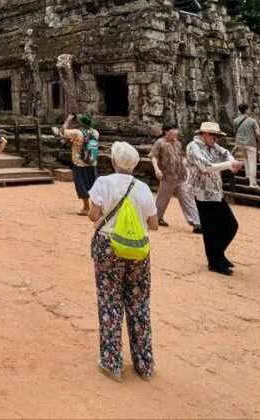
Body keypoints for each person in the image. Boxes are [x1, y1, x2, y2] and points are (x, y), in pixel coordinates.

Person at [88, 141, 158, 382]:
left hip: (108, 246)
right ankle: (145, 364)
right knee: (139, 304)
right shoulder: (143, 188)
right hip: (138, 250)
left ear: (114, 162)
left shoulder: (103, 183)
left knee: (110, 301)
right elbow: (154, 224)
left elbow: (93, 216)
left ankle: (112, 362)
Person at [185, 122, 244, 275]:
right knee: (211, 229)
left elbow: (225, 153)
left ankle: (218, 255)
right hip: (202, 192)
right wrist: (229, 165)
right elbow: (206, 166)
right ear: (204, 134)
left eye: (217, 136)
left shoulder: (213, 146)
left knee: (230, 225)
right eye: (213, 135)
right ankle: (214, 260)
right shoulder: (194, 147)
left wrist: (232, 161)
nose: (215, 139)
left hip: (216, 191)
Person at [150, 124, 201, 232]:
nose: (176, 132)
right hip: (167, 176)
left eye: (176, 130)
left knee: (187, 198)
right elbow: (154, 156)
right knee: (162, 200)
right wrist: (157, 169)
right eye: (173, 130)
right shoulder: (160, 143)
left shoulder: (178, 143)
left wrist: (187, 169)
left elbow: (181, 157)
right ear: (166, 132)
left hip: (180, 175)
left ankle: (196, 222)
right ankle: (157, 218)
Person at [62, 113, 100, 215]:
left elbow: (62, 132)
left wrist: (68, 120)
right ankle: (96, 207)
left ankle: (86, 207)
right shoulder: (95, 132)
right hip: (92, 161)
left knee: (81, 184)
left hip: (79, 163)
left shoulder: (77, 133)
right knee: (93, 184)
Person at [232, 103, 260, 186]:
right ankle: (252, 183)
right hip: (250, 143)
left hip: (240, 143)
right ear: (246, 110)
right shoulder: (252, 121)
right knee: (252, 162)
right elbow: (258, 133)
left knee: (245, 159)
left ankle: (247, 175)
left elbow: (235, 131)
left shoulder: (235, 120)